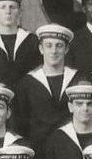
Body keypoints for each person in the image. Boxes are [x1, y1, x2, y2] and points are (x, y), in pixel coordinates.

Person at [11, 22, 79, 150]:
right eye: (49, 46)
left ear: (66, 49)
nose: (54, 51)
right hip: (38, 150)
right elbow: (20, 124)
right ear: (41, 49)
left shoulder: (77, 79)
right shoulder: (26, 83)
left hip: (70, 148)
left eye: (59, 46)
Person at [0, 0, 42, 87]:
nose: (8, 11)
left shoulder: (34, 41)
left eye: (12, 7)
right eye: (3, 7)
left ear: (20, 12)